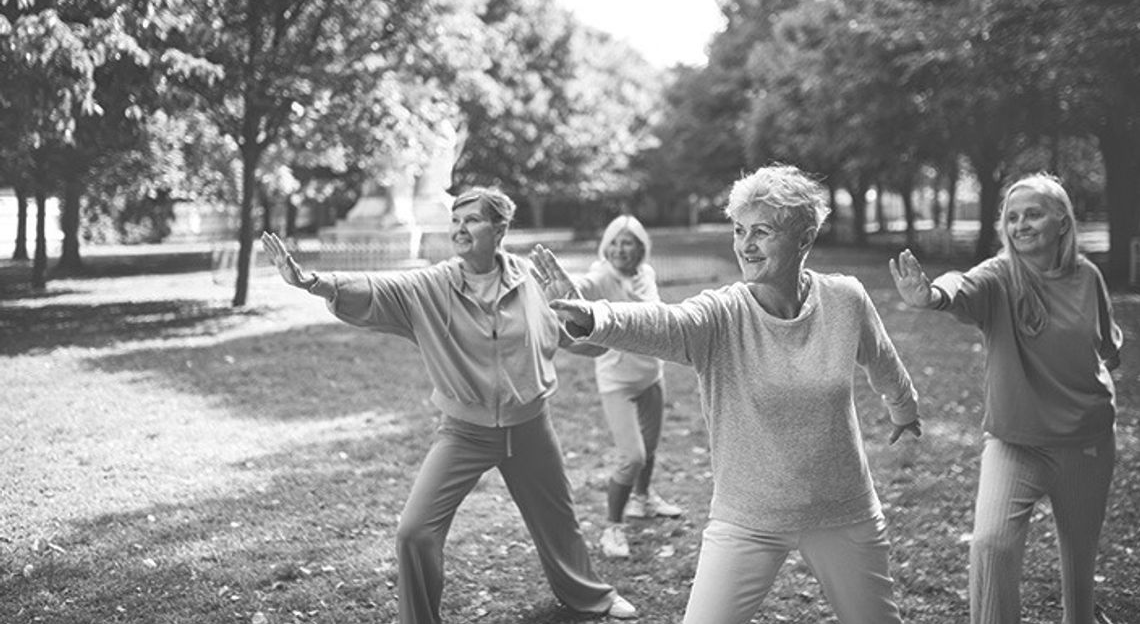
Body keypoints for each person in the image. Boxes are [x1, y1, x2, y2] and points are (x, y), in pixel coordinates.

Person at [533, 164, 922, 624]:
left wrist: (904, 406)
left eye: (762, 231)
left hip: (842, 510)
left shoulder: (845, 299)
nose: (745, 244)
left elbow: (882, 359)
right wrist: (594, 317)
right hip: (747, 518)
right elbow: (664, 322)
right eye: (739, 230)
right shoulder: (721, 315)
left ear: (804, 240)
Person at [260, 186, 637, 624]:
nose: (460, 229)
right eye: (456, 221)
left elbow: (581, 343)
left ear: (500, 229)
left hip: (531, 425)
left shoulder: (533, 279)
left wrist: (576, 313)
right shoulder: (433, 284)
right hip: (464, 432)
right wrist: (313, 282)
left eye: (472, 220)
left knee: (559, 524)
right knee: (415, 532)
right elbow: (377, 288)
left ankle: (590, 597)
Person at [889, 173, 1123, 624]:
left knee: (1080, 567)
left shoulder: (1087, 275)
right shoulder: (999, 277)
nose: (1021, 225)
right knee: (991, 545)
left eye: (1032, 214)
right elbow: (961, 285)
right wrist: (933, 295)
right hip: (1016, 442)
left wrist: (1099, 366)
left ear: (1061, 222)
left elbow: (1107, 347)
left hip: (1087, 442)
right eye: (1012, 218)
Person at [574, 215, 682, 560]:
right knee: (632, 456)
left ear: (641, 247)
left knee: (649, 450)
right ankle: (612, 527)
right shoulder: (602, 276)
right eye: (615, 242)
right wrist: (564, 287)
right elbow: (582, 288)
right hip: (617, 382)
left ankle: (643, 499)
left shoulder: (646, 274)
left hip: (652, 374)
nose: (621, 249)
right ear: (606, 246)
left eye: (628, 242)